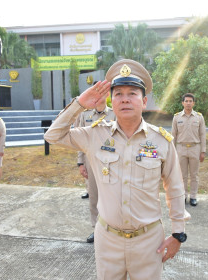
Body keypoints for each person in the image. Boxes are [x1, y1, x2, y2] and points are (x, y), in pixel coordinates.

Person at [45, 59, 190, 279]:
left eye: (132, 93)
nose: (125, 99)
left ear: (144, 101)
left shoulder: (161, 141)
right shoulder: (95, 135)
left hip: (149, 241)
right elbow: (52, 135)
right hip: (108, 239)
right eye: (118, 93)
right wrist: (80, 104)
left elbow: (175, 187)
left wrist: (178, 233)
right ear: (111, 101)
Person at [73, 83, 116, 243]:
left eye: (102, 92)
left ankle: (112, 230)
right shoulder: (85, 116)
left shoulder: (114, 115)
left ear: (107, 95)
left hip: (112, 161)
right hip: (91, 161)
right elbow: (79, 141)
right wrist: (80, 163)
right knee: (94, 197)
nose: (99, 96)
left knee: (112, 197)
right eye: (96, 92)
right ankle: (97, 230)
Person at [171, 93, 206, 206]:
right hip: (181, 148)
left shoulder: (199, 117)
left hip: (195, 148)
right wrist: (172, 151)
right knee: (182, 175)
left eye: (190, 101)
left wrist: (203, 151)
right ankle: (184, 195)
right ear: (182, 103)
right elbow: (173, 135)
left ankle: (193, 196)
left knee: (194, 175)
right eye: (186, 101)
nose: (188, 103)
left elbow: (203, 135)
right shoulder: (177, 117)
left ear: (193, 103)